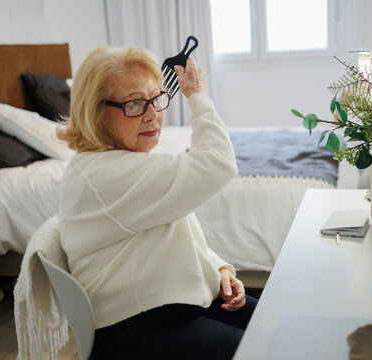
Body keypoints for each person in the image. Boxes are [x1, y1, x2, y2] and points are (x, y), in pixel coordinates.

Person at [57, 46, 257, 359]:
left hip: (173, 303)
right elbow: (219, 163)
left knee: (276, 323)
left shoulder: (125, 163)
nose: (153, 114)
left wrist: (219, 269)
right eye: (134, 103)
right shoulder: (104, 174)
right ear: (95, 113)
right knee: (269, 345)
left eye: (156, 98)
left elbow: (173, 231)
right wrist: (196, 95)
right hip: (138, 329)